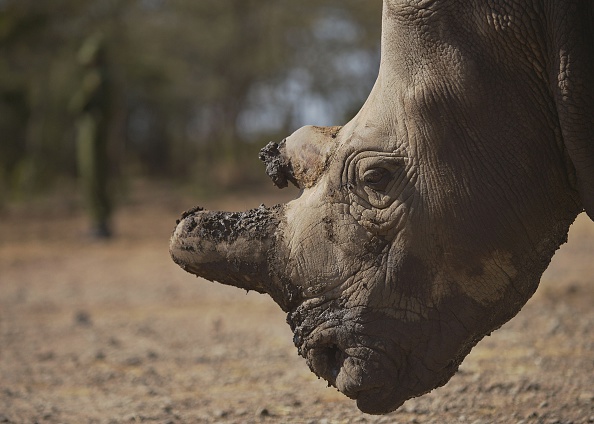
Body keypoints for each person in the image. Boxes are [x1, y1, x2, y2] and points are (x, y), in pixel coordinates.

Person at [70, 33, 114, 238]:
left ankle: (99, 225)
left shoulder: (96, 78)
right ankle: (102, 223)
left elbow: (78, 104)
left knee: (92, 176)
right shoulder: (109, 77)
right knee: (99, 177)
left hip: (92, 133)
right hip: (101, 132)